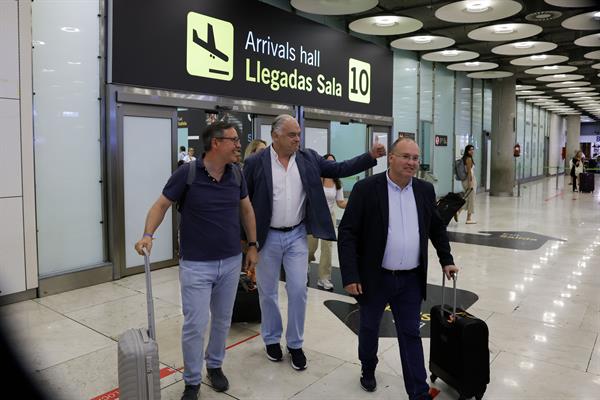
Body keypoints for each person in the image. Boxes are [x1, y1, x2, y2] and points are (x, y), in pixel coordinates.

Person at [243, 114, 386, 370]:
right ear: (275, 136)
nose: (298, 138)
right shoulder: (255, 163)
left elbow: (340, 168)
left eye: (298, 134)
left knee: (298, 289)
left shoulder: (308, 158)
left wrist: (370, 156)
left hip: (297, 234)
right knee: (268, 292)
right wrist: (249, 243)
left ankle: (295, 344)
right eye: (291, 134)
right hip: (267, 237)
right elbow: (245, 203)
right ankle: (272, 339)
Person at [134, 122, 258, 400]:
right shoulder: (187, 174)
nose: (239, 145)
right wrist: (147, 234)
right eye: (234, 140)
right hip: (196, 264)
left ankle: (214, 365)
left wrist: (252, 246)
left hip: (230, 262)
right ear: (216, 143)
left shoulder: (237, 174)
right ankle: (192, 380)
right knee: (196, 323)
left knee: (223, 320)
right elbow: (161, 205)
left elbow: (247, 211)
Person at [338, 137, 459, 399]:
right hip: (375, 277)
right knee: (369, 328)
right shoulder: (367, 189)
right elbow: (347, 233)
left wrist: (446, 259)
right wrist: (350, 274)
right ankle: (368, 367)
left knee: (410, 334)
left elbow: (436, 227)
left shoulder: (424, 190)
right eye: (405, 156)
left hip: (410, 280)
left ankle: (418, 393)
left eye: (415, 158)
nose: (411, 163)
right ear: (390, 158)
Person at [307, 153, 347, 291]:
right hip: (315, 215)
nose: (330, 165)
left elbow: (340, 203)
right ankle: (306, 262)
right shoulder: (317, 178)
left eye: (333, 162)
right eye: (328, 162)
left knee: (327, 248)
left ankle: (324, 277)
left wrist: (356, 201)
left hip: (329, 217)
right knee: (311, 247)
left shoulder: (337, 182)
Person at [456, 144, 476, 224]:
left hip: (466, 181)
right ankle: (468, 218)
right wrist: (470, 183)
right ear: (467, 151)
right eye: (470, 149)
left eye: (473, 149)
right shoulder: (468, 159)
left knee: (467, 199)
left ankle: (458, 212)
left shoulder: (465, 158)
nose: (472, 151)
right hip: (469, 181)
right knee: (471, 199)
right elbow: (469, 172)